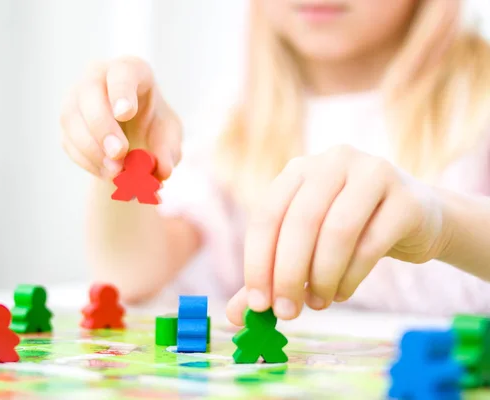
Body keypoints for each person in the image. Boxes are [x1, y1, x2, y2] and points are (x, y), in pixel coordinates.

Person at [59, 0, 490, 325]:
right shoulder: (233, 126)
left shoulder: (478, 108)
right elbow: (134, 274)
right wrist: (121, 152)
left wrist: (442, 224)